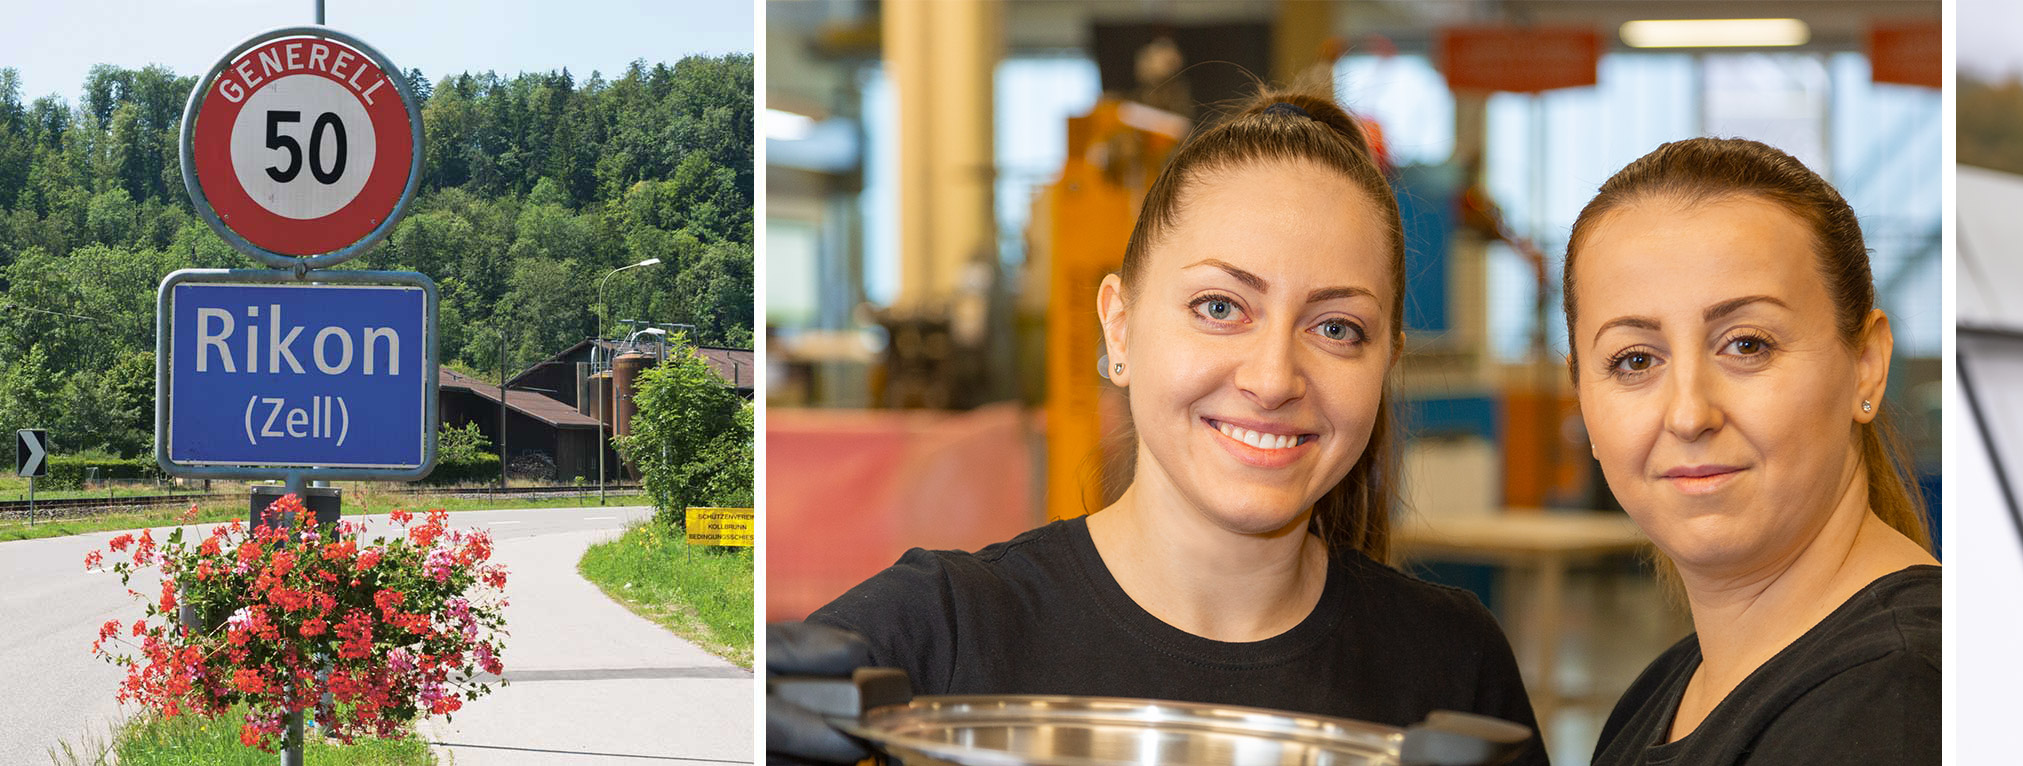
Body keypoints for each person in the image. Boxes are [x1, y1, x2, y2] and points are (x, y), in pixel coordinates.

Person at [767, 91, 1547, 765]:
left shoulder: (1453, 667)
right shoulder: (938, 635)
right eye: (1220, 307)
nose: (1273, 378)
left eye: (1337, 328)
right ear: (1120, 326)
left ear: (1386, 365)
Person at [1562, 137, 1941, 765]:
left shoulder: (1890, 703)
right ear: (1580, 394)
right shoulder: (1668, 690)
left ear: (1867, 365)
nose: (1689, 415)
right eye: (1635, 360)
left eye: (1747, 345)